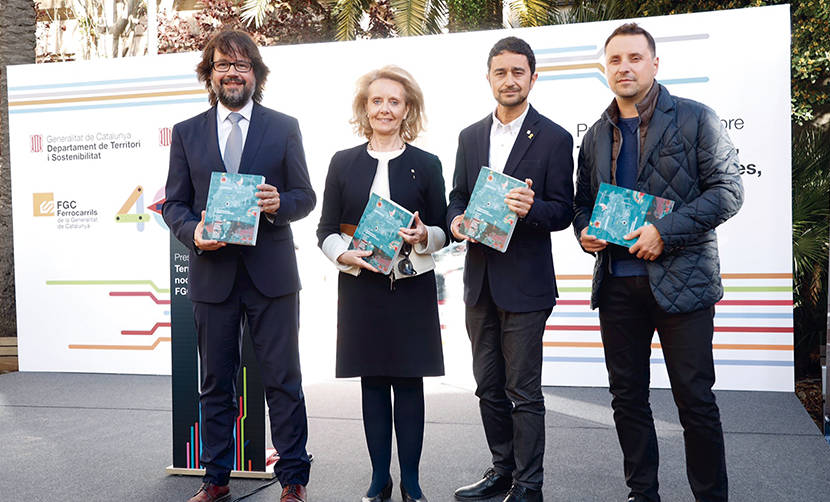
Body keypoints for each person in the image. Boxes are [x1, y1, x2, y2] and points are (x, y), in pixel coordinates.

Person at [572, 23, 743, 502]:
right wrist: (584, 231)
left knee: (695, 402)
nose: (624, 68)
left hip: (682, 284)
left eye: (634, 58)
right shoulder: (595, 135)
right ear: (605, 68)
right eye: (615, 60)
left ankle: (711, 496)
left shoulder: (694, 119)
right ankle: (641, 493)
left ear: (654, 64)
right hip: (617, 286)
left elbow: (729, 193)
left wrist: (663, 233)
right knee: (627, 400)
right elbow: (581, 203)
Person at [163, 28, 315, 502]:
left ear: (256, 74)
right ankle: (216, 479)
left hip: (272, 277)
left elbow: (305, 196)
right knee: (215, 384)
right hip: (213, 277)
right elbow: (175, 204)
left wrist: (277, 203)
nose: (233, 73)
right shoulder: (187, 133)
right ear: (209, 75)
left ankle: (293, 480)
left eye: (242, 65)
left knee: (283, 381)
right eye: (222, 65)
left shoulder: (284, 126)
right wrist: (194, 233)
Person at [447, 37, 574, 502]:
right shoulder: (469, 136)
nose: (509, 80)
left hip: (526, 286)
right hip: (479, 283)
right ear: (489, 78)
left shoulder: (556, 137)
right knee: (488, 387)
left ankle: (529, 484)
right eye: (500, 72)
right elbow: (457, 196)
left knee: (524, 391)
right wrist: (457, 222)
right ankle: (501, 470)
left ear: (533, 78)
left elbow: (564, 210)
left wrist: (531, 208)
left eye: (518, 72)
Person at [316, 65, 447, 502]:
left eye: (394, 101)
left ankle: (410, 481)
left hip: (411, 289)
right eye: (377, 101)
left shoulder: (427, 164)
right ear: (365, 108)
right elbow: (326, 229)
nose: (385, 109)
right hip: (361, 288)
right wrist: (343, 254)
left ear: (407, 109)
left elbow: (445, 227)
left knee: (410, 384)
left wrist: (424, 235)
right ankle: (379, 479)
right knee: (372, 384)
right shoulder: (342, 162)